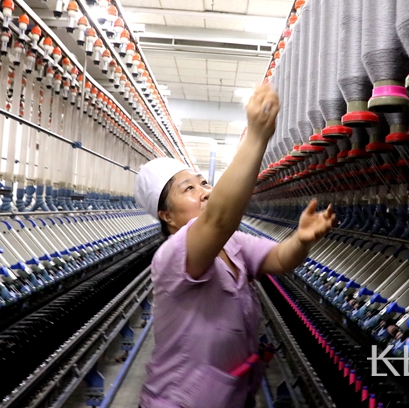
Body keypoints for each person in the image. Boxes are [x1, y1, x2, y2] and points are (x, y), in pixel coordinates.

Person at [134, 84, 336, 408]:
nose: (203, 191)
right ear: (166, 215)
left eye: (203, 182)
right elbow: (218, 220)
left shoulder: (234, 243)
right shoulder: (172, 257)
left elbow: (279, 259)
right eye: (189, 188)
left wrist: (300, 240)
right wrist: (256, 137)